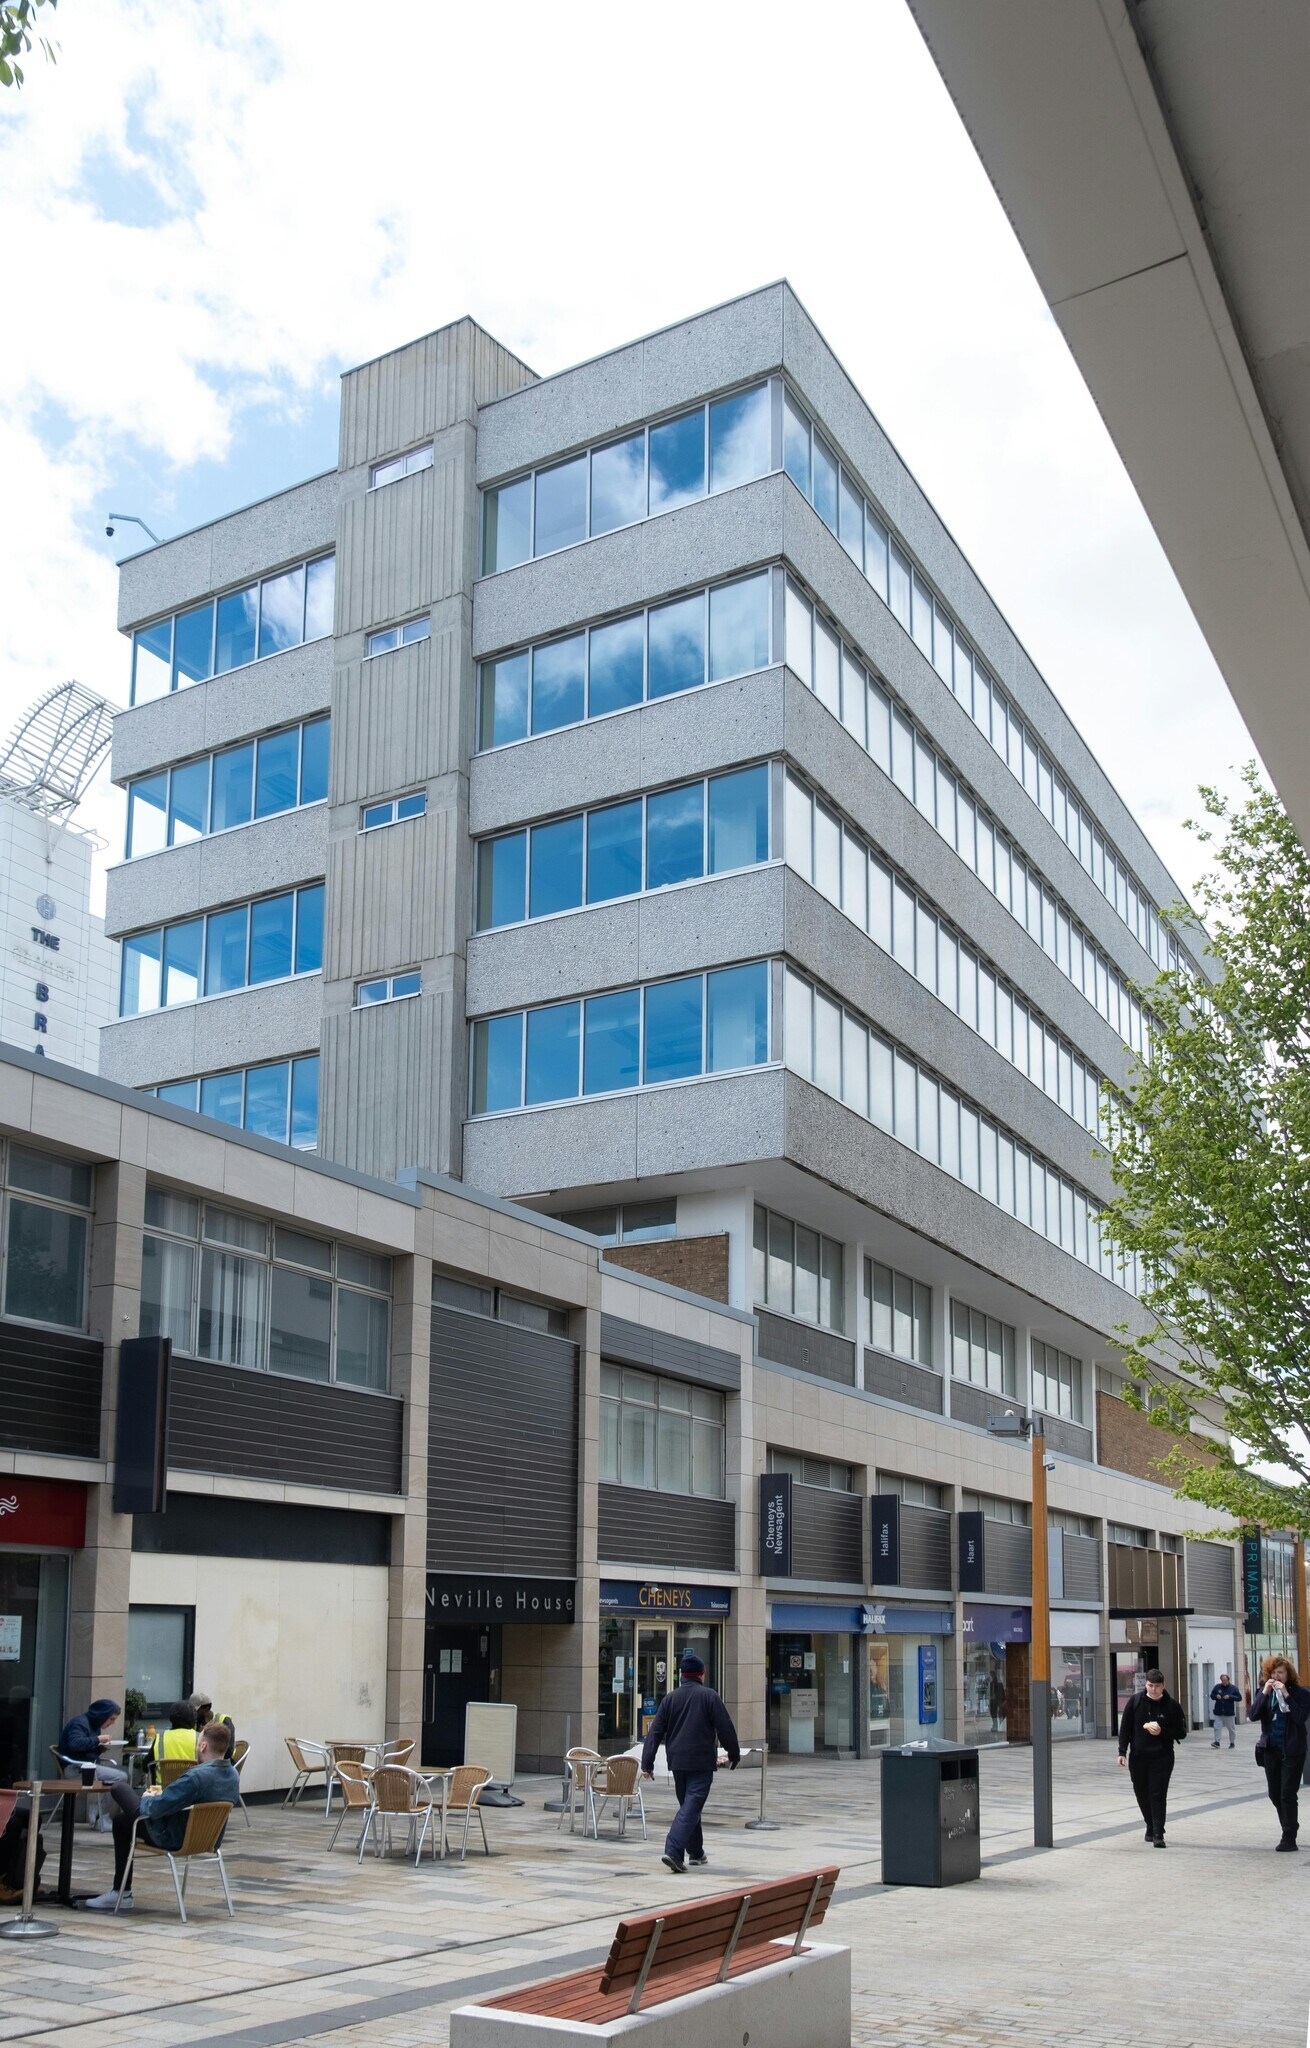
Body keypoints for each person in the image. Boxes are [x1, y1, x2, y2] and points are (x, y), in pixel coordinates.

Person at [85, 1719, 240, 1912]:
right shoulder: (233, 1775)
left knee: (119, 1787)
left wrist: (148, 1798)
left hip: (172, 1837)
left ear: (203, 1745)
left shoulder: (196, 1777)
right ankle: (121, 1892)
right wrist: (160, 1798)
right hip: (208, 1839)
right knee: (122, 1822)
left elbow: (157, 1809)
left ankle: (122, 1892)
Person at [640, 1650, 739, 1875]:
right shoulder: (710, 1696)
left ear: (682, 1676)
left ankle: (696, 1852)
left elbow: (654, 1733)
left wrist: (648, 1763)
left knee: (689, 1806)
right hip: (702, 1763)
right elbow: (726, 1727)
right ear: (701, 1674)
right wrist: (734, 1754)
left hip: (678, 1763)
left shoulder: (670, 1699)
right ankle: (674, 1851)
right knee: (691, 1806)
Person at [1246, 1655, 1310, 1851]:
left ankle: (1288, 1836)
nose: (1276, 1676)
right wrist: (1264, 1692)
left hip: (1292, 1750)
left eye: (1280, 1672)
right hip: (1270, 1749)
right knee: (1274, 1794)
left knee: (1287, 1794)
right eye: (1273, 1673)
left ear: (1288, 1674)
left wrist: (1287, 1695)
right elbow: (1253, 1714)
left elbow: (1300, 1718)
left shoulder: (1301, 1694)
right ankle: (1289, 1824)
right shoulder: (1264, 1692)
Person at [1118, 1668, 1187, 1845]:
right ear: (1145, 1685)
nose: (1153, 1689)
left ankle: (1158, 1833)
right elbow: (1125, 1728)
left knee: (1157, 1793)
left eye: (1157, 1686)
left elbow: (1181, 1733)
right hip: (1138, 1756)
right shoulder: (1135, 1702)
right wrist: (1121, 1752)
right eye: (1150, 1685)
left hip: (1162, 1757)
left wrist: (1162, 1731)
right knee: (1141, 1793)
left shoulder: (1171, 1705)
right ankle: (1150, 1824)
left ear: (1163, 1686)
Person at [57, 1699, 128, 1788]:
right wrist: (98, 1739)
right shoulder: (79, 1723)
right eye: (111, 1719)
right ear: (102, 1716)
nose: (113, 1723)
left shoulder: (95, 1726)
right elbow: (74, 1744)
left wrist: (100, 1749)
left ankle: (103, 1801)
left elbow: (85, 1749)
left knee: (127, 1771)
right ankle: (104, 1802)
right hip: (75, 1768)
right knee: (121, 1777)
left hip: (88, 1765)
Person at [153, 1702, 198, 1774]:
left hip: (165, 1785)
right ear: (193, 1719)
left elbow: (146, 1765)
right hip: (192, 1784)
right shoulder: (200, 1738)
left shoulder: (160, 1737)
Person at [1209, 1671, 1241, 1748]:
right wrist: (1216, 1696)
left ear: (1228, 1680)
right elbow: (1212, 1695)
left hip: (1229, 1712)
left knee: (1231, 1728)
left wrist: (1230, 1697)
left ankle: (1232, 1742)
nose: (1224, 1682)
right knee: (1217, 1727)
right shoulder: (1217, 1687)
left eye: (1225, 1680)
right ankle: (1217, 1741)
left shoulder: (1233, 1688)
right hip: (1219, 1711)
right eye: (1223, 1680)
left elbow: (1239, 1698)